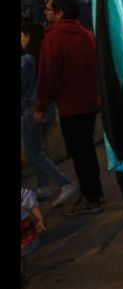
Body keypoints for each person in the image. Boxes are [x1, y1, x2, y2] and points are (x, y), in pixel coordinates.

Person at [35, 0, 104, 215]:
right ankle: (94, 193)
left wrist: (40, 106)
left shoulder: (53, 39)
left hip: (71, 105)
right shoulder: (86, 35)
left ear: (60, 12)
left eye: (48, 8)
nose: (45, 12)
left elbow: (47, 77)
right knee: (87, 151)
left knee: (79, 153)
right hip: (90, 102)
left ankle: (91, 199)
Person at [21, 23, 78, 207]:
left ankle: (65, 183)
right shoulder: (43, 59)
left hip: (32, 109)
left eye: (22, 36)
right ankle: (44, 186)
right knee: (39, 149)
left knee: (34, 153)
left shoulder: (27, 60)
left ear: (29, 37)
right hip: (48, 108)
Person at [21, 187, 47, 289]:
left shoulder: (22, 193)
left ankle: (23, 275)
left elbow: (33, 206)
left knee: (22, 254)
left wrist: (40, 219)